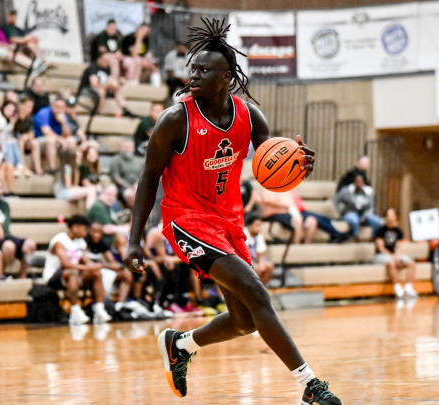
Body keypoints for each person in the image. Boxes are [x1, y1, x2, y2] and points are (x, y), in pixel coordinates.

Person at [123, 18, 339, 404]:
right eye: (193, 68)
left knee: (243, 320)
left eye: (204, 70)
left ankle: (181, 344)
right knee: (258, 296)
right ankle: (310, 385)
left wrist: (299, 163)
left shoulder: (250, 116)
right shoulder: (175, 120)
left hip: (228, 220)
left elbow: (277, 162)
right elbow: (148, 178)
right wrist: (134, 239)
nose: (194, 75)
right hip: (186, 220)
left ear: (226, 77)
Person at [43, 214, 112, 325]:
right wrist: (86, 267)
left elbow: (86, 261)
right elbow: (66, 264)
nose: (86, 232)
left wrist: (94, 266)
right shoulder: (59, 241)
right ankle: (75, 311)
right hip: (54, 276)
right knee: (73, 272)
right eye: (85, 229)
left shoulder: (81, 242)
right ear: (75, 228)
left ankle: (99, 309)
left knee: (95, 273)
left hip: (74, 274)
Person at [0, 179, 37, 279]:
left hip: (7, 235)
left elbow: (6, 226)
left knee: (30, 244)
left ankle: (22, 278)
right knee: (9, 246)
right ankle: (1, 275)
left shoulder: (5, 205)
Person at [374, 208, 417, 299]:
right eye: (388, 215)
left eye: (392, 215)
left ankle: (408, 288)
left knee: (411, 263)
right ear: (385, 217)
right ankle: (397, 288)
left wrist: (397, 256)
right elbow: (381, 247)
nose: (390, 217)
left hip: (394, 254)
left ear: (395, 217)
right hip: (382, 255)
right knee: (391, 263)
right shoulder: (380, 230)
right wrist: (392, 257)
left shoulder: (398, 231)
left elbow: (397, 247)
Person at [334, 174, 383, 240]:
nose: (359, 184)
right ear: (354, 182)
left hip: (365, 215)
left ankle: (373, 237)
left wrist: (364, 217)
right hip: (350, 212)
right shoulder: (346, 190)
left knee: (378, 222)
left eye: (361, 182)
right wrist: (339, 211)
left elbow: (371, 207)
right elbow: (336, 199)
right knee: (354, 220)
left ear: (364, 183)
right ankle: (356, 236)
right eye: (357, 182)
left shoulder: (370, 192)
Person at [87, 183, 128, 248]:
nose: (111, 198)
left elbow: (115, 225)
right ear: (102, 193)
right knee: (121, 237)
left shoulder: (107, 206)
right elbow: (107, 228)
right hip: (98, 241)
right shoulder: (98, 207)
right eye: (109, 194)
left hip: (106, 240)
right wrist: (127, 227)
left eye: (114, 195)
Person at [109, 140, 143, 208]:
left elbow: (142, 175)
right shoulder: (116, 160)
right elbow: (116, 178)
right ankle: (136, 213)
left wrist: (136, 184)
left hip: (137, 186)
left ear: (133, 148)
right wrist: (130, 187)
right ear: (121, 148)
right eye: (126, 147)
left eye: (130, 147)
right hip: (122, 187)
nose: (128, 149)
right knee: (129, 194)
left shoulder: (139, 160)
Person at [244, 214, 272, 285]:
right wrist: (255, 264)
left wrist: (260, 263)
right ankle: (252, 289)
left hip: (254, 260)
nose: (259, 228)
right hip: (244, 260)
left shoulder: (258, 235)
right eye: (257, 225)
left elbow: (260, 253)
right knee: (256, 269)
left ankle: (262, 288)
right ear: (249, 225)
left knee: (269, 266)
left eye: (260, 225)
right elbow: (244, 254)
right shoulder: (244, 234)